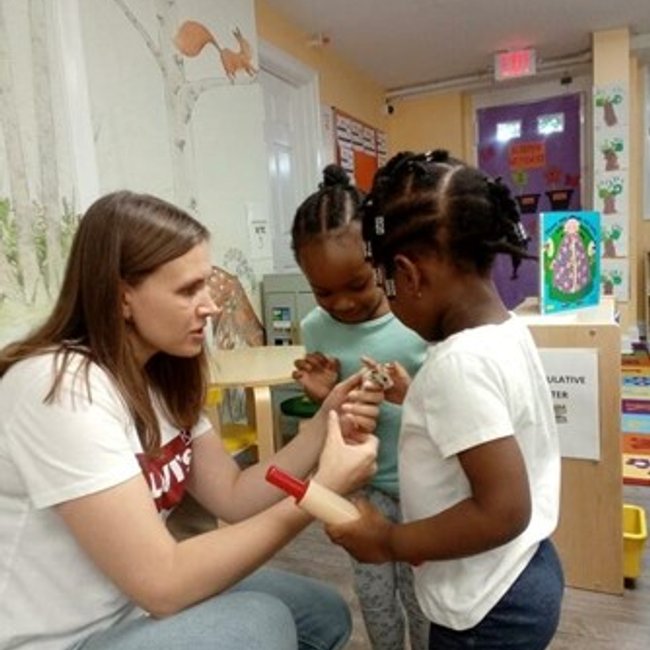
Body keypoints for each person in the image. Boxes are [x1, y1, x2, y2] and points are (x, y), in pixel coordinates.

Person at [0, 190, 381, 650]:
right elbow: (163, 583)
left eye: (206, 284)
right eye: (187, 290)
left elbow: (234, 497)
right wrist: (319, 495)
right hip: (68, 640)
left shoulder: (158, 376)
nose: (212, 306)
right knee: (261, 620)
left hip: (130, 610)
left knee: (322, 614)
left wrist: (327, 419)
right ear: (123, 297)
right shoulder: (60, 387)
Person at [326, 150, 565, 649]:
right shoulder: (507, 332)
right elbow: (495, 419)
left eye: (385, 283)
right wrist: (414, 397)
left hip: (485, 604)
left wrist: (388, 541)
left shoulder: (458, 365)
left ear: (408, 275)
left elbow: (502, 509)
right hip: (526, 568)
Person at [290, 165, 430, 650]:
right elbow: (333, 418)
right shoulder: (315, 328)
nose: (344, 304)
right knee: (373, 596)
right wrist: (323, 395)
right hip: (358, 490)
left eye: (357, 284)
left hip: (421, 486)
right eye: (324, 292)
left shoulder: (416, 317)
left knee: (423, 597)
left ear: (383, 261)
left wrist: (410, 394)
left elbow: (449, 411)